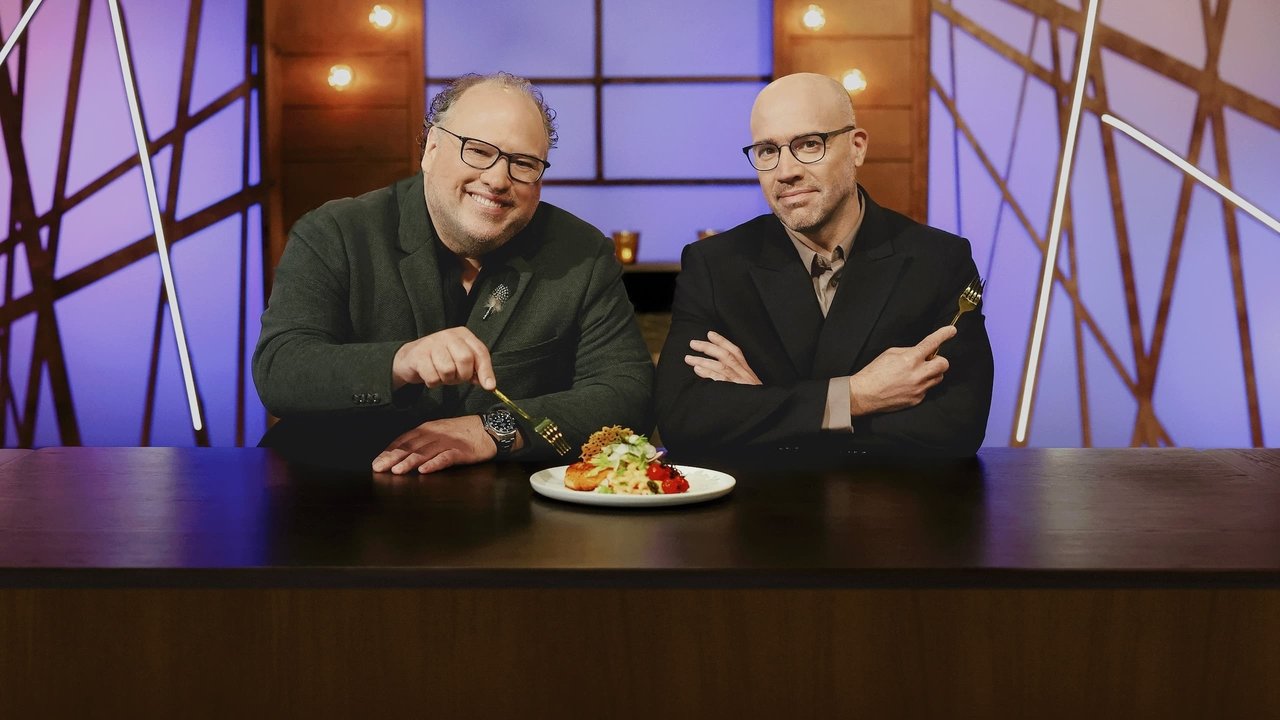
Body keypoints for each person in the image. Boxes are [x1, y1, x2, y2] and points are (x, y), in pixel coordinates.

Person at [254, 72, 653, 472]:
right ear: (430, 149)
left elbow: (628, 396)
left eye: (523, 163)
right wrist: (400, 360)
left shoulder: (580, 253)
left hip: (510, 499)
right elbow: (280, 371)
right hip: (340, 485)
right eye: (477, 151)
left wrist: (494, 429)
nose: (497, 179)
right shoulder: (336, 233)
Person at [655, 73, 993, 458]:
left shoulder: (938, 260)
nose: (786, 171)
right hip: (759, 498)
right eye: (767, 150)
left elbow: (957, 426)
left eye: (809, 144)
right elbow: (683, 420)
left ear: (857, 147)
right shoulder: (715, 266)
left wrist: (763, 407)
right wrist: (857, 396)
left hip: (890, 495)